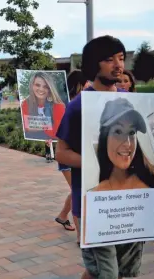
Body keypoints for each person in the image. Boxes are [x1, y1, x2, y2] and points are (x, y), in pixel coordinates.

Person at [56, 35, 144, 279]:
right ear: (95, 65)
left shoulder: (130, 100)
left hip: (129, 202)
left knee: (111, 270)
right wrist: (96, 162)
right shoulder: (79, 105)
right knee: (107, 274)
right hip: (92, 204)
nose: (118, 65)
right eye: (109, 60)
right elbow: (61, 153)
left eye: (121, 58)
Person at [91, 98, 154, 194]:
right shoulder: (95, 195)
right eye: (118, 131)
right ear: (104, 138)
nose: (128, 143)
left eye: (131, 132)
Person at [54, 70, 90, 240]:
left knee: (76, 189)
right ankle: (79, 235)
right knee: (78, 191)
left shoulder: (82, 102)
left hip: (78, 154)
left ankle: (62, 216)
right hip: (69, 156)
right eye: (87, 82)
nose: (90, 85)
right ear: (80, 84)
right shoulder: (71, 105)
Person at [21, 72, 66, 140]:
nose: (41, 89)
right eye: (37, 85)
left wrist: (35, 126)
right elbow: (26, 127)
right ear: (32, 86)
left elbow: (57, 133)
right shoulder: (25, 103)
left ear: (50, 89)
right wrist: (47, 125)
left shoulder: (58, 105)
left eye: (45, 87)